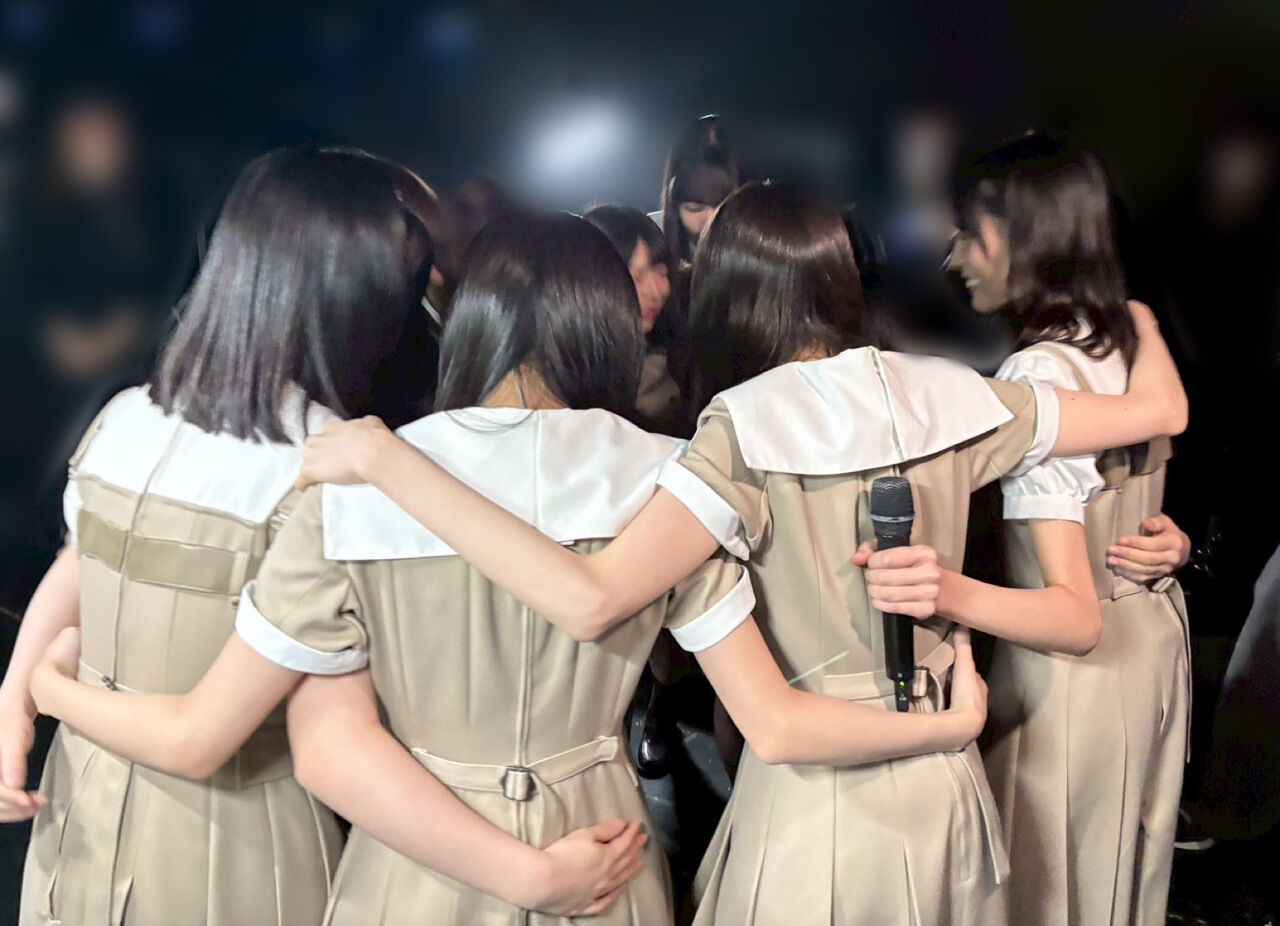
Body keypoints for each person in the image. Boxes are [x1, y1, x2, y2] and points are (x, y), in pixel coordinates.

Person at [29, 209, 994, 926]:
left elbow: (327, 750)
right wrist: (945, 722)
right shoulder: (669, 480)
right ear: (609, 327)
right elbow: (766, 716)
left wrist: (42, 684)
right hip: (604, 847)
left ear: (472, 319)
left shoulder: (359, 476)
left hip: (416, 860)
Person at [286, 181, 1188, 924]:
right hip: (948, 787)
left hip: (813, 797)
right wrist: (1139, 319)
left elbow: (593, 597)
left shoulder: (739, 433)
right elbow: (1159, 413)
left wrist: (387, 460)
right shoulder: (952, 393)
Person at [2, 148, 641, 925]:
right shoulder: (333, 462)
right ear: (356, 299)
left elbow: (78, 565)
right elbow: (93, 576)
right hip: (222, 839)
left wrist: (36, 690)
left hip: (96, 815)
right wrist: (24, 693)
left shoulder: (128, 418)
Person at [950, 134, 1193, 925]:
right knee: (1128, 878)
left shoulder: (1038, 375)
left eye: (970, 235)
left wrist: (943, 593)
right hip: (1154, 650)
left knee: (1051, 889)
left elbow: (1068, 607)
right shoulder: (1131, 336)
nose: (955, 257)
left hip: (1072, 679)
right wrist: (1176, 546)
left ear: (1028, 235)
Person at [584, 205, 685, 437]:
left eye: (661, 272)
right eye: (636, 277)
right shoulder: (564, 385)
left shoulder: (677, 361)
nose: (655, 292)